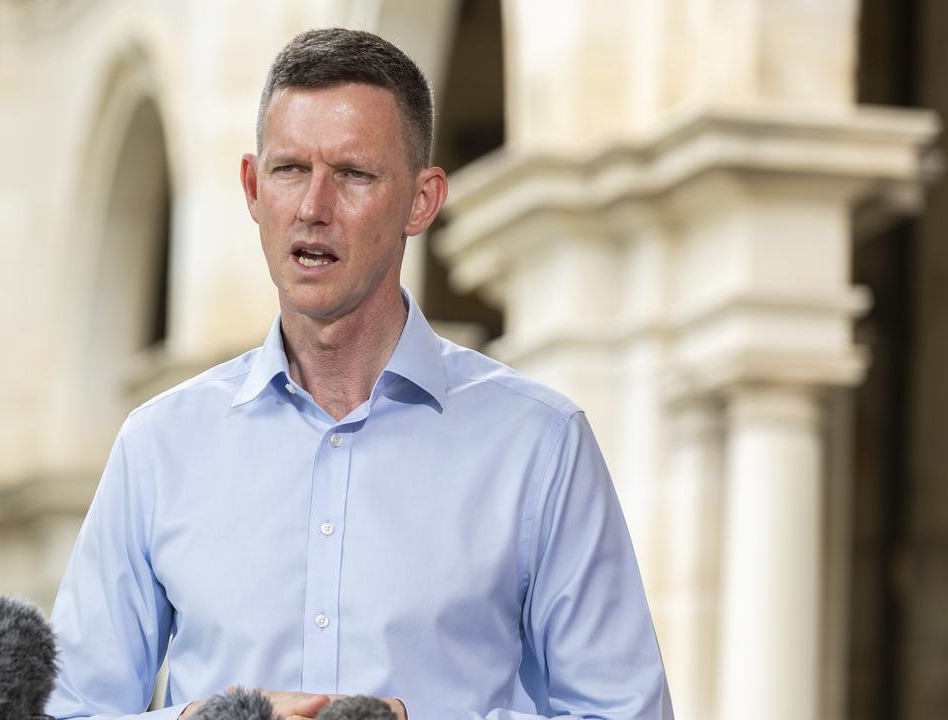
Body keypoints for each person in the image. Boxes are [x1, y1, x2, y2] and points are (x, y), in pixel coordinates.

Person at [46, 28, 673, 720]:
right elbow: (72, 709)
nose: (313, 207)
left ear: (421, 201)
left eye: (353, 175)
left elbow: (625, 712)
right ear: (253, 187)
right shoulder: (158, 445)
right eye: (289, 170)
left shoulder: (540, 444)